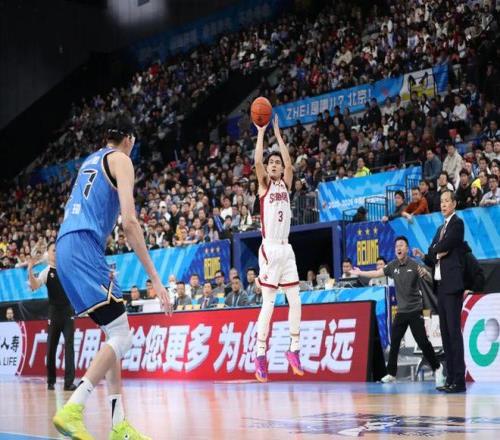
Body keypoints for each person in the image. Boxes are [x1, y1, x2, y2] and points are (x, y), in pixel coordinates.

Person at [54, 119, 172, 439]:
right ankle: (73, 408)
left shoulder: (89, 161)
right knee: (123, 337)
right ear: (129, 140)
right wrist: (155, 278)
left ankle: (119, 424)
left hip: (67, 246)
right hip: (83, 246)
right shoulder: (121, 159)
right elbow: (129, 223)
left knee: (114, 334)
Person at [352, 237, 444, 385]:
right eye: (396, 246)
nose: (398, 248)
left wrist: (425, 274)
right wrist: (360, 272)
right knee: (394, 342)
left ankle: (437, 368)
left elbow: (429, 279)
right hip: (401, 312)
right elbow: (376, 273)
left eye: (401, 245)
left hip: (415, 311)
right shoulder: (392, 266)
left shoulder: (414, 265)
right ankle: (391, 374)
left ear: (407, 249)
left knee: (423, 342)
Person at [253, 115, 303, 383]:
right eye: (271, 162)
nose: (274, 164)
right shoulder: (265, 185)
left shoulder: (286, 182)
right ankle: (260, 354)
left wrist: (280, 137)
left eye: (277, 162)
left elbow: (290, 164)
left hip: (287, 249)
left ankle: (294, 348)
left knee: (295, 300)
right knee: (269, 302)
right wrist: (262, 132)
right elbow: (257, 162)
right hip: (270, 248)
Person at [413, 190, 466, 393]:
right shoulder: (440, 228)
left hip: (452, 285)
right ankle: (450, 378)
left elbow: (447, 244)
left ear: (454, 204)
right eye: (441, 201)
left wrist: (437, 249)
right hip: (441, 286)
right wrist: (427, 254)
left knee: (453, 334)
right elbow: (433, 251)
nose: (443, 204)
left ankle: (459, 381)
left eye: (446, 201)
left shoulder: (457, 224)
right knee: (445, 335)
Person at [28, 244, 76, 391]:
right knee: (51, 348)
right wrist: (30, 270)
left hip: (68, 312)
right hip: (54, 314)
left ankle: (69, 383)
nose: (56, 252)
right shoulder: (46, 272)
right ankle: (51, 380)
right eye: (53, 250)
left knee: (69, 346)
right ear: (48, 254)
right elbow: (34, 286)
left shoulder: (67, 269)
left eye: (57, 250)